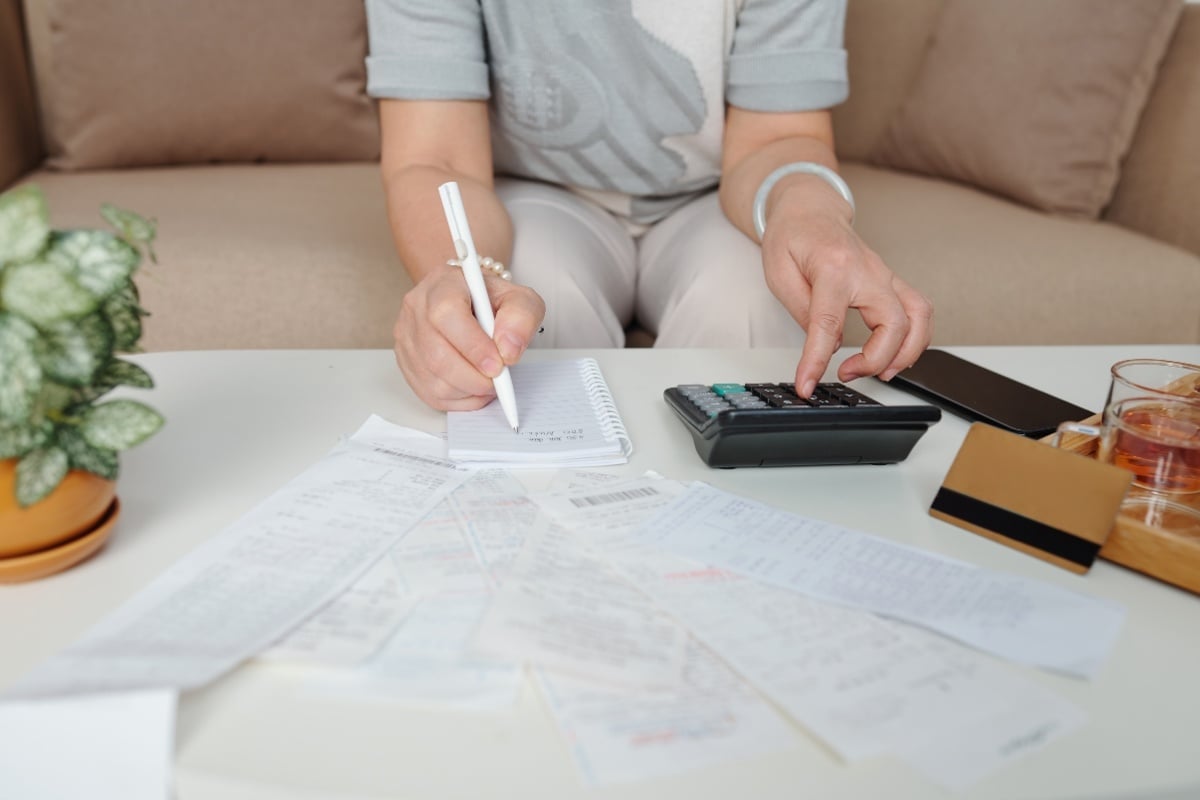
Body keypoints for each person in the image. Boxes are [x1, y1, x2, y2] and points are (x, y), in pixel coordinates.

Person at [364, 0, 932, 413]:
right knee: (520, 319)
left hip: (713, 199)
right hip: (538, 195)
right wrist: (460, 275)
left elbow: (774, 138)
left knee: (753, 308)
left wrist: (811, 213)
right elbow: (438, 158)